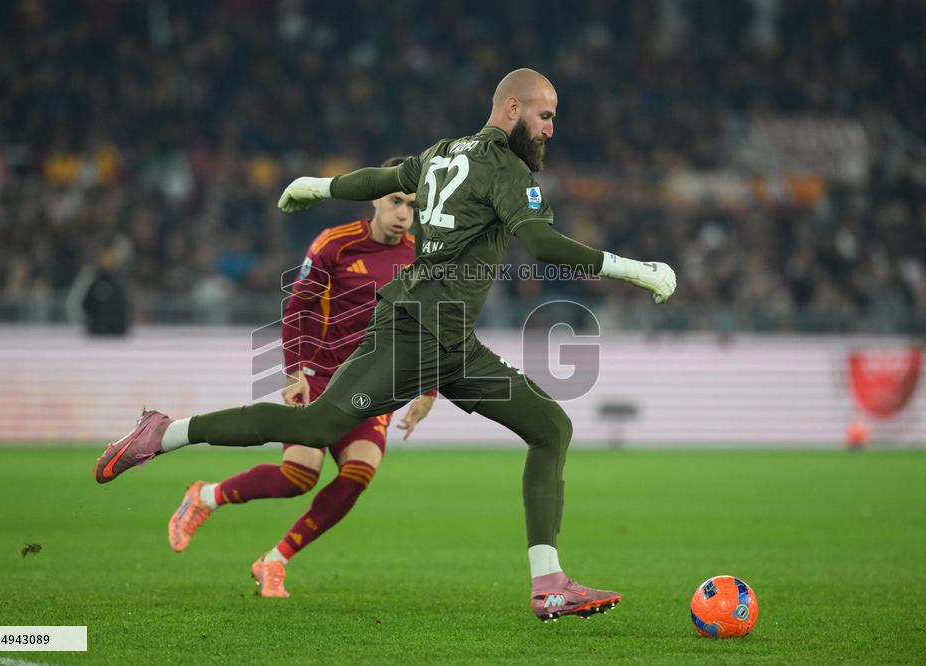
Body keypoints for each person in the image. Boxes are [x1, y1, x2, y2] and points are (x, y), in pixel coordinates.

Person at [94, 68, 676, 622]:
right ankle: (163, 433)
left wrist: (318, 186)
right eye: (546, 116)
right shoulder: (505, 170)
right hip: (414, 329)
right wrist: (633, 268)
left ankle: (549, 585)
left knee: (551, 428)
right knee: (318, 427)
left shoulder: (444, 151)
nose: (551, 130)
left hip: (452, 343)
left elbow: (383, 178)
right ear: (513, 107)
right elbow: (541, 243)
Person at [166, 158, 437, 598]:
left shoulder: (419, 257)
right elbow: (297, 310)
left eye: (411, 203)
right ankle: (205, 496)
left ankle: (274, 561)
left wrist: (428, 390)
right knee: (298, 476)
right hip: (321, 378)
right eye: (395, 200)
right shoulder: (335, 244)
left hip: (372, 389)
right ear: (375, 199)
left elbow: (424, 325)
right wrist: (296, 372)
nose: (404, 212)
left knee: (358, 473)